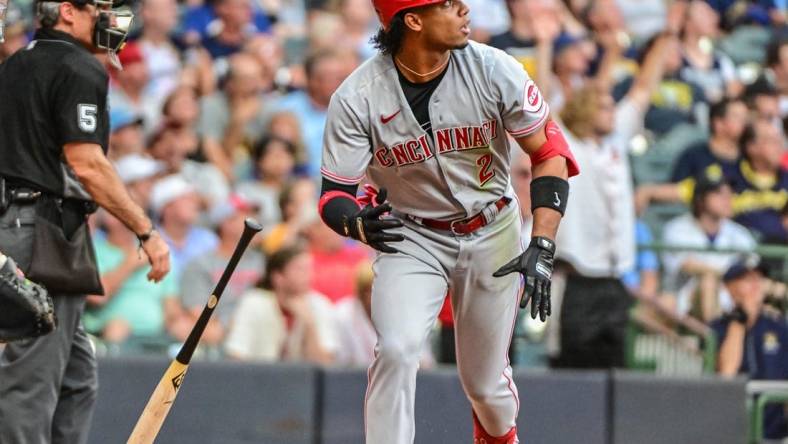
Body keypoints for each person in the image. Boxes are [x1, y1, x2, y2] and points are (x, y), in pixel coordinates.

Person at [317, 0, 579, 442]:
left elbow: (550, 153)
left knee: (485, 384)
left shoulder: (494, 68)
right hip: (411, 233)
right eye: (447, 3)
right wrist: (356, 224)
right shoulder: (357, 96)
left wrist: (543, 242)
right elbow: (333, 197)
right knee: (397, 350)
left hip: (492, 226)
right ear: (413, 20)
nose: (463, 9)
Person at [0, 0, 170, 441]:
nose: (108, 17)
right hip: (39, 236)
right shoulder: (77, 66)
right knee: (30, 388)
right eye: (97, 6)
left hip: (34, 228)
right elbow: (87, 163)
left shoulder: (17, 62)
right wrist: (146, 230)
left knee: (77, 380)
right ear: (67, 12)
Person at [661, 170, 756, 321]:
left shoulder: (739, 233)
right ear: (700, 200)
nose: (727, 199)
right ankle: (713, 339)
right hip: (685, 301)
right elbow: (689, 265)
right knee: (708, 281)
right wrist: (733, 274)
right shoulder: (676, 228)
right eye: (719, 194)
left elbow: (753, 268)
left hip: (731, 296)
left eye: (729, 193)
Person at [712, 256, 788, 441]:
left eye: (759, 279)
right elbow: (727, 373)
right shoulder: (717, 328)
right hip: (729, 430)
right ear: (729, 287)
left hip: (776, 431)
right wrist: (739, 321)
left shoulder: (779, 327)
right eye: (747, 279)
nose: (755, 285)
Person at [224, 245, 337, 364]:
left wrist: (309, 325)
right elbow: (236, 355)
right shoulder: (254, 302)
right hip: (258, 377)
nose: (308, 276)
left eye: (309, 269)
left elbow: (325, 365)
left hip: (301, 380)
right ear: (278, 277)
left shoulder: (319, 304)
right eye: (300, 269)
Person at [178, 194, 265, 345]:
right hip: (221, 336)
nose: (255, 219)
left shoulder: (260, 261)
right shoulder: (201, 263)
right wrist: (230, 326)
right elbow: (197, 312)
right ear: (226, 223)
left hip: (258, 331)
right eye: (245, 215)